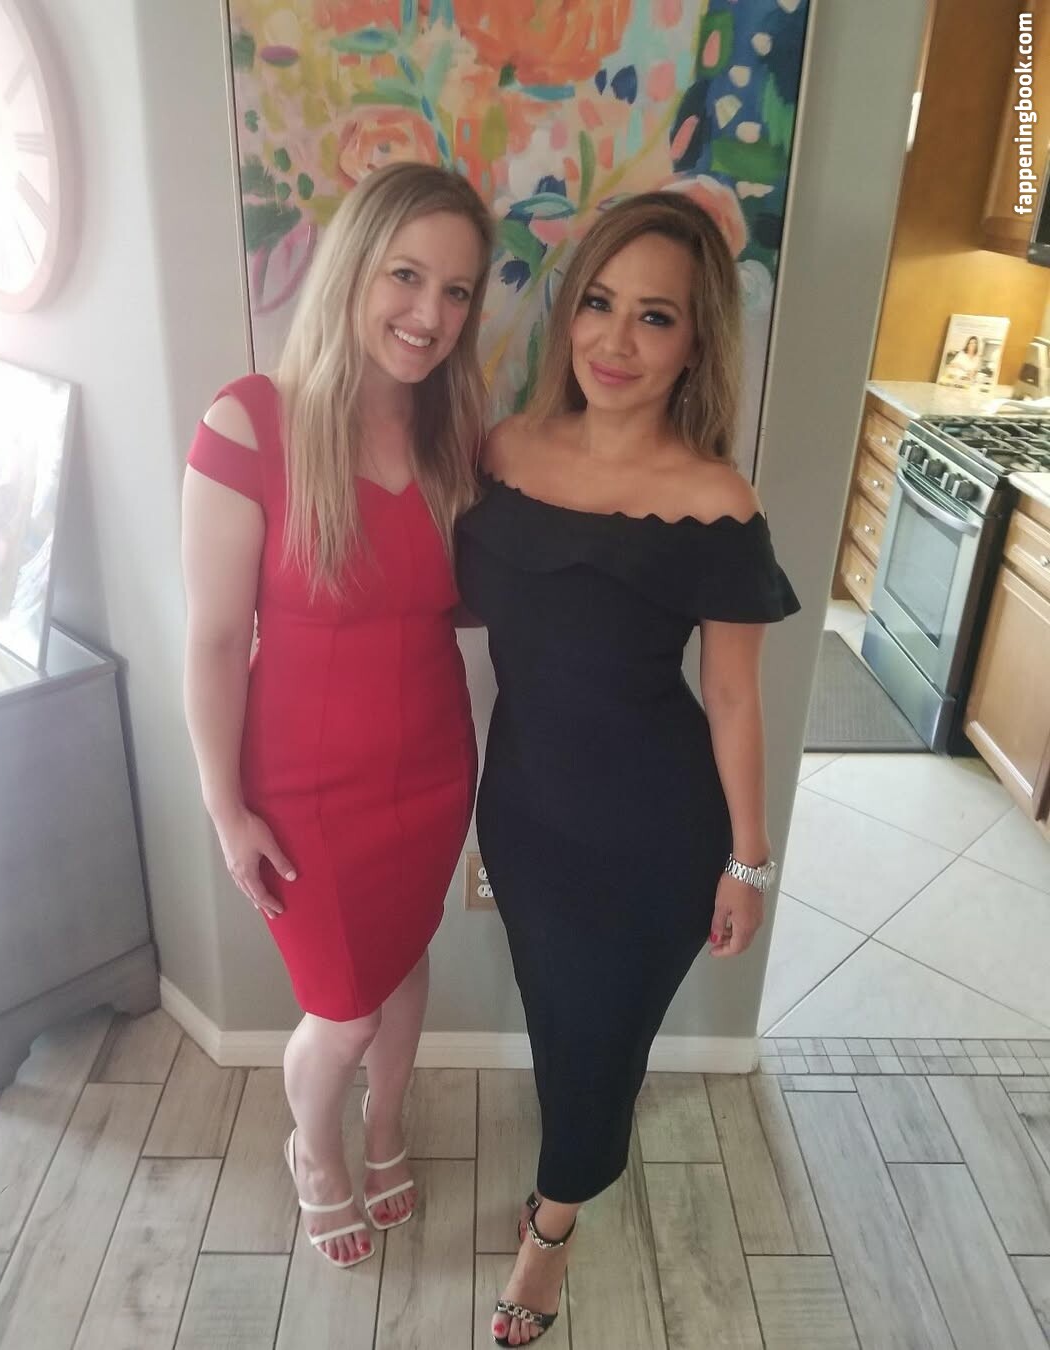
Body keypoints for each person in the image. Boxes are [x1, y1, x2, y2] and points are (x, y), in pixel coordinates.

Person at [455, 191, 799, 1345]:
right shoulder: (503, 453)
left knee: (603, 1040)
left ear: (697, 343)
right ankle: (571, 1161)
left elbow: (736, 696)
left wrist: (750, 862)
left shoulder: (716, 502)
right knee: (559, 1017)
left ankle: (551, 1231)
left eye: (656, 317)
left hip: (653, 836)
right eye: (599, 303)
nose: (615, 340)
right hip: (525, 816)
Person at [182, 162, 493, 1270]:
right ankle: (315, 1152)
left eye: (457, 291)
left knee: (403, 958)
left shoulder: (458, 439)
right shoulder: (250, 423)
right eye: (407, 276)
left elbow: (477, 600)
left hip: (434, 769)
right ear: (353, 267)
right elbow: (214, 640)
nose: (430, 314)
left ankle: (385, 1126)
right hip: (305, 788)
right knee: (344, 1008)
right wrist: (226, 810)